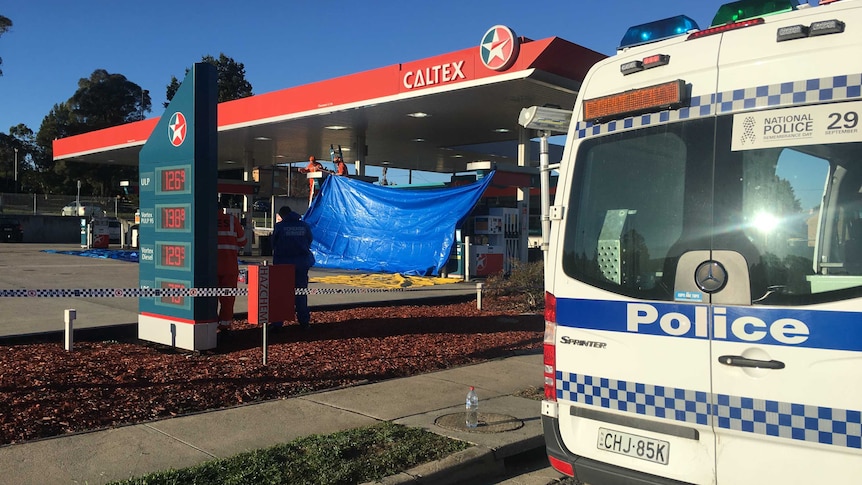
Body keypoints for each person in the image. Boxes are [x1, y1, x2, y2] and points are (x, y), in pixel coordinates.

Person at [271, 205, 314, 329]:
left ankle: (277, 323)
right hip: (301, 263)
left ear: (282, 215)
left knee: (281, 294)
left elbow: (273, 243)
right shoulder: (304, 226)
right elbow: (309, 240)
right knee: (301, 293)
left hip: (283, 264)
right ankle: (304, 322)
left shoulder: (279, 226)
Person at [216, 200, 247, 332]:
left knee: (208, 297)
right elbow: (243, 241)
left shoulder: (205, 220)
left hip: (210, 267)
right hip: (230, 266)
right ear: (222, 209)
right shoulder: (232, 220)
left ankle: (209, 324)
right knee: (228, 298)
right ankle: (225, 325)